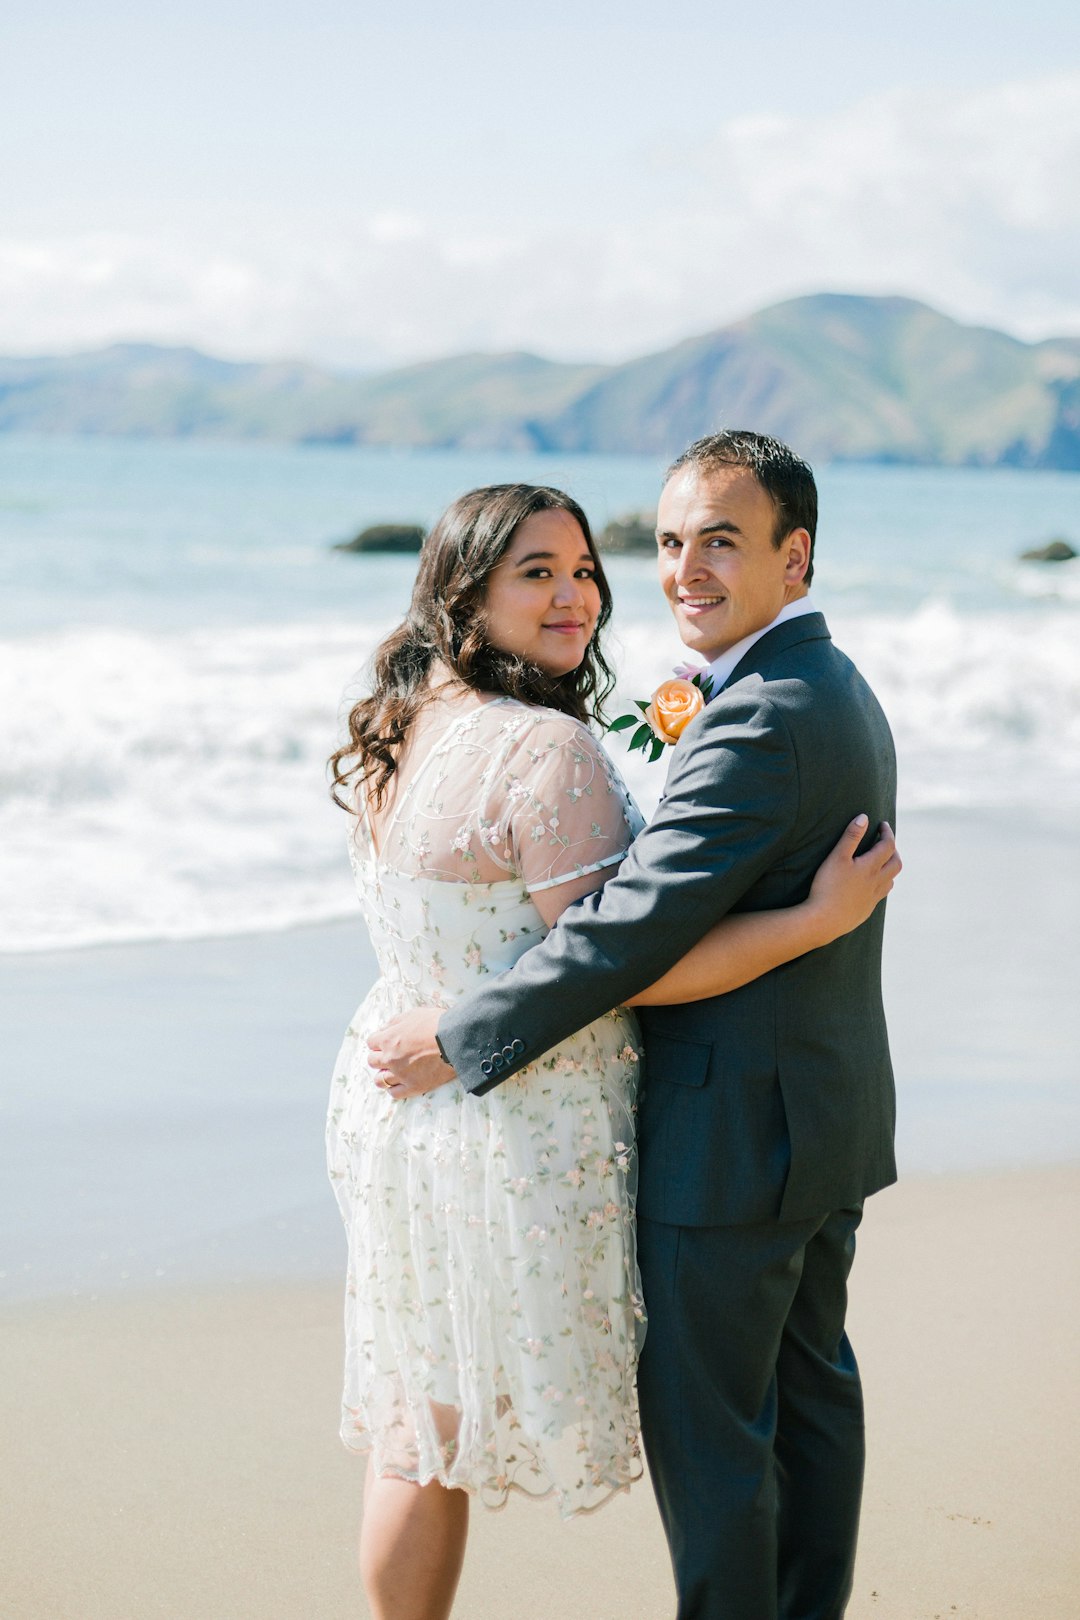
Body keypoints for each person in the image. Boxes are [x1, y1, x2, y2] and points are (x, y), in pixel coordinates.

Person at [333, 475, 899, 1620]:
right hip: (515, 1105)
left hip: (398, 1108)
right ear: (463, 592)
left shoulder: (399, 722)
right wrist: (814, 922)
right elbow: (624, 955)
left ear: (795, 560)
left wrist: (445, 1032)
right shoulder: (556, 750)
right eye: (535, 573)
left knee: (423, 1421)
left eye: (583, 568)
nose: (578, 595)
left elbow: (612, 941)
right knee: (753, 1420)